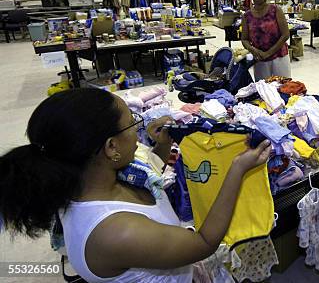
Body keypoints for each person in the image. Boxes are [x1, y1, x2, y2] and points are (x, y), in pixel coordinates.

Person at [0, 88, 271, 282]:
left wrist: (162, 146)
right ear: (111, 147)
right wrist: (237, 169)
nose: (137, 129)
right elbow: (203, 242)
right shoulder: (115, 232)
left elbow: (150, 184)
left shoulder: (87, 178)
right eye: (132, 123)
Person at [242, 0, 291, 80]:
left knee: (283, 88)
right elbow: (244, 39)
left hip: (279, 57)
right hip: (260, 60)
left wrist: (268, 53)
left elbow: (285, 34)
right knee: (263, 90)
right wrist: (254, 51)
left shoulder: (275, 10)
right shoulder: (247, 16)